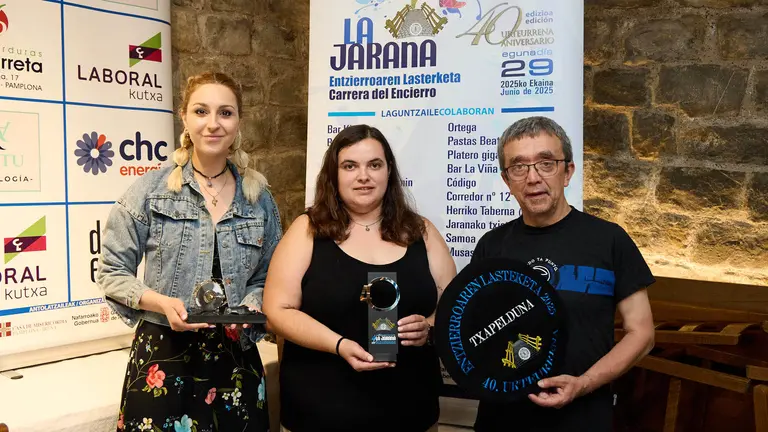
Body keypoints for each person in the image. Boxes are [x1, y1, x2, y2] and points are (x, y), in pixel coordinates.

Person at [97, 71, 281, 432]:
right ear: (184, 117)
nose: (213, 124)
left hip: (235, 358)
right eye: (201, 111)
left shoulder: (259, 200)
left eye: (225, 113)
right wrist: (163, 303)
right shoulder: (151, 190)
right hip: (163, 357)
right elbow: (112, 272)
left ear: (239, 121)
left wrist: (254, 301)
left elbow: (270, 276)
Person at [262, 124, 456, 432]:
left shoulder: (421, 231)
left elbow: (453, 305)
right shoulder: (307, 230)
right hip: (320, 414)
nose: (363, 176)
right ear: (334, 174)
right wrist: (338, 345)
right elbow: (276, 311)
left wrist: (429, 328)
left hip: (410, 412)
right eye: (350, 166)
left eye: (374, 165)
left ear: (389, 171)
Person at [470, 116, 655, 432]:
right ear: (506, 180)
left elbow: (642, 333)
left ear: (567, 171)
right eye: (519, 167)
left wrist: (583, 384)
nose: (533, 178)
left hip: (582, 419)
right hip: (502, 420)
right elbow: (475, 331)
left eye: (546, 164)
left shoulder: (610, 240)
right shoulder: (491, 246)